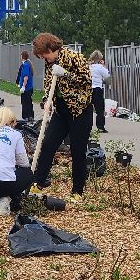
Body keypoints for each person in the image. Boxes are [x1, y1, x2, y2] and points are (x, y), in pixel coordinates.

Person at [31, 32, 94, 203]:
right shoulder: (49, 62)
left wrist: (65, 73)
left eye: (44, 54)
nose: (43, 58)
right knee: (48, 144)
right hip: (61, 112)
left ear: (51, 48)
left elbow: (87, 81)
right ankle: (37, 182)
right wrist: (46, 100)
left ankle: (77, 191)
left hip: (80, 112)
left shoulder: (74, 57)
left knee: (77, 150)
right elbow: (48, 84)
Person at [88, 50, 110, 134]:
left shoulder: (88, 66)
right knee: (100, 110)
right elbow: (107, 76)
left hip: (88, 89)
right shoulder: (100, 67)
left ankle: (87, 127)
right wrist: (103, 66)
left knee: (88, 109)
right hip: (97, 89)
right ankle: (100, 127)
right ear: (100, 58)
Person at [16, 50, 35, 121]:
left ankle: (26, 117)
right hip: (29, 87)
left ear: (22, 57)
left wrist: (23, 86)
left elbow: (25, 77)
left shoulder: (25, 65)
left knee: (25, 103)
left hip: (26, 88)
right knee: (29, 102)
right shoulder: (28, 64)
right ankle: (30, 116)